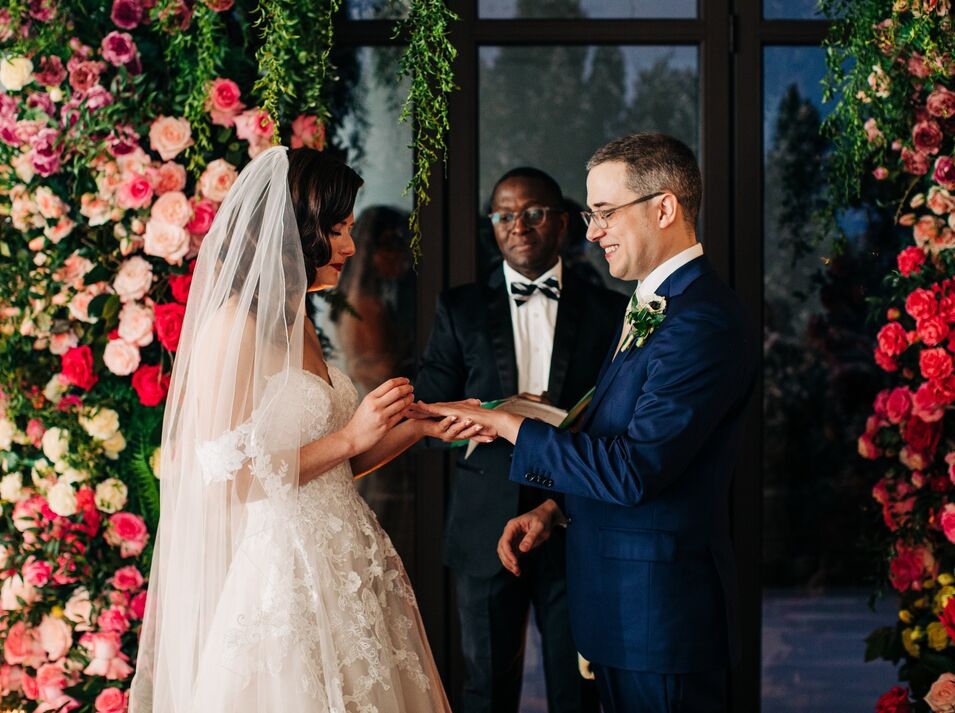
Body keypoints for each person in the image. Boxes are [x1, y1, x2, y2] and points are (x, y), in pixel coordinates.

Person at [129, 146, 488, 713]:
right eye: (338, 229)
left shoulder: (300, 325)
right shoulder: (231, 329)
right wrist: (351, 435)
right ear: (295, 233)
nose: (350, 245)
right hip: (284, 575)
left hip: (346, 560)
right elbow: (232, 481)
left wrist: (421, 427)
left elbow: (333, 465)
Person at [417, 134, 758, 713]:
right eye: (590, 215)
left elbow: (634, 470)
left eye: (604, 214)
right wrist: (553, 511)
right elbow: (626, 443)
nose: (593, 232)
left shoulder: (700, 322)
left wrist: (507, 425)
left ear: (664, 208)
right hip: (626, 615)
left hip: (660, 622)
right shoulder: (656, 306)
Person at [414, 167, 624, 713]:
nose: (518, 226)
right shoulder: (458, 307)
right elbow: (423, 415)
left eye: (532, 213)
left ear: (561, 222)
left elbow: (619, 420)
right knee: (485, 690)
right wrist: (484, 420)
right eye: (505, 215)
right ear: (492, 224)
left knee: (579, 688)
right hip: (483, 526)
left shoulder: (607, 310)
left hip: (574, 520)